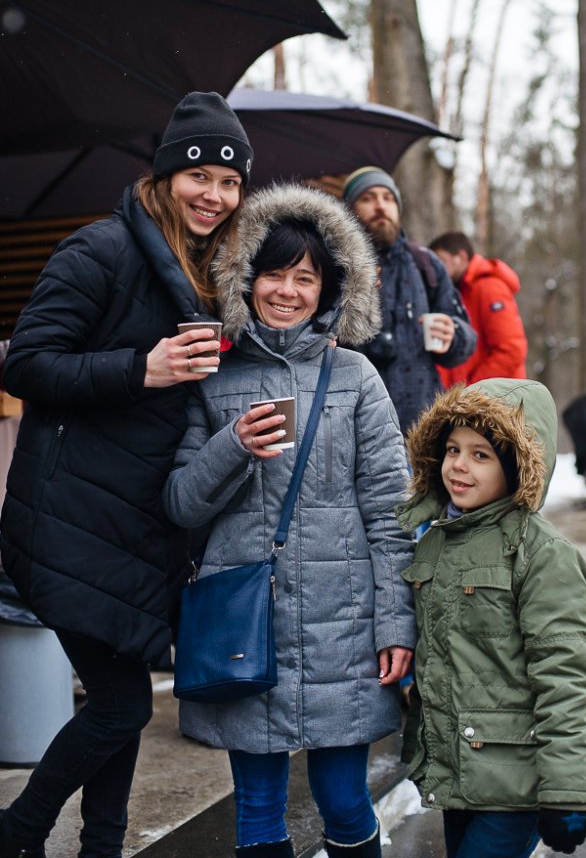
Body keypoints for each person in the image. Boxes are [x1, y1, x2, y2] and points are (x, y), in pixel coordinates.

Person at [0, 92, 254, 858]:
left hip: (139, 523)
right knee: (119, 705)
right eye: (200, 174)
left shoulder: (209, 271)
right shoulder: (101, 249)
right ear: (168, 172)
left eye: (231, 182)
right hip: (70, 514)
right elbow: (29, 364)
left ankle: (103, 845)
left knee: (125, 700)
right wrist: (139, 368)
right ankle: (18, 829)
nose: (214, 194)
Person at [163, 183, 416, 858]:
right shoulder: (211, 377)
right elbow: (181, 504)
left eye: (305, 277)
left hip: (345, 628)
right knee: (257, 806)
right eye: (273, 272)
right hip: (246, 625)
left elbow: (392, 514)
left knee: (342, 799)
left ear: (330, 288)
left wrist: (397, 623)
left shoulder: (356, 376)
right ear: (244, 277)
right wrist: (231, 445)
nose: (287, 290)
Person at [397, 378, 586, 858]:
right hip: (456, 771)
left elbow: (563, 676)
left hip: (514, 781)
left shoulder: (540, 553)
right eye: (451, 450)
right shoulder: (434, 542)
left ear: (518, 465)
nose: (458, 466)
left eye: (481, 455)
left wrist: (566, 792)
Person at [341, 167, 476, 434]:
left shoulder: (425, 263)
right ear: (349, 209)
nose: (381, 205)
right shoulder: (334, 264)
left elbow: (468, 336)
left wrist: (454, 335)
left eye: (388, 198)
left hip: (421, 427)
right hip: (354, 424)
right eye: (368, 198)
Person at [430, 230, 527, 385]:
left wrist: (472, 391)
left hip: (496, 402)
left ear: (461, 257)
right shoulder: (459, 291)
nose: (436, 270)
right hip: (475, 402)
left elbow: (511, 350)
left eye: (441, 261)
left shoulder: (488, 287)